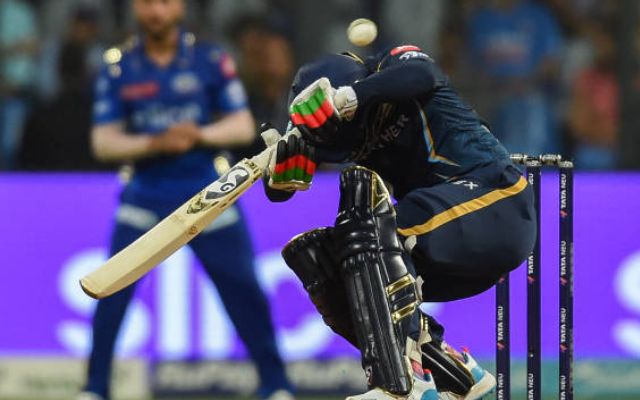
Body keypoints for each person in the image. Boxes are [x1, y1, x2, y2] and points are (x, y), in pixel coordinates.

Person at [262, 44, 536, 399]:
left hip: (497, 204)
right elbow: (278, 193)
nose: (358, 145)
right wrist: (279, 179)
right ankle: (451, 371)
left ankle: (401, 382)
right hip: (444, 242)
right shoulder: (341, 132)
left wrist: (351, 97)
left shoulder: (391, 66)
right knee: (322, 260)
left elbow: (424, 74)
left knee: (367, 217)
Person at [76, 1, 293, 399]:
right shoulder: (118, 66)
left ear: (179, 6)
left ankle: (276, 385)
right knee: (112, 293)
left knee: (244, 290)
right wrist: (155, 142)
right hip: (144, 197)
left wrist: (197, 135)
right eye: (147, 3)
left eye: (165, 2)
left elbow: (241, 126)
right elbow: (103, 142)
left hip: (208, 196)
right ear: (135, 8)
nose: (156, 12)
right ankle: (94, 389)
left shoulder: (210, 59)